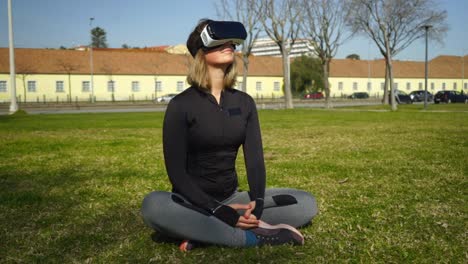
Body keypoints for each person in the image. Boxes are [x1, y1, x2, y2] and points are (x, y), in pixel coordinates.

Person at [141, 19, 318, 250]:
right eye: (219, 42)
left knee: (305, 203)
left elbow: (254, 161)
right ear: (200, 52)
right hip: (192, 203)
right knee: (152, 205)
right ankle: (251, 237)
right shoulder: (180, 105)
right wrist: (218, 211)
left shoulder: (244, 103)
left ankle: (204, 232)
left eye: (232, 43)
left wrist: (258, 204)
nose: (229, 46)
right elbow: (177, 174)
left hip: (233, 201)